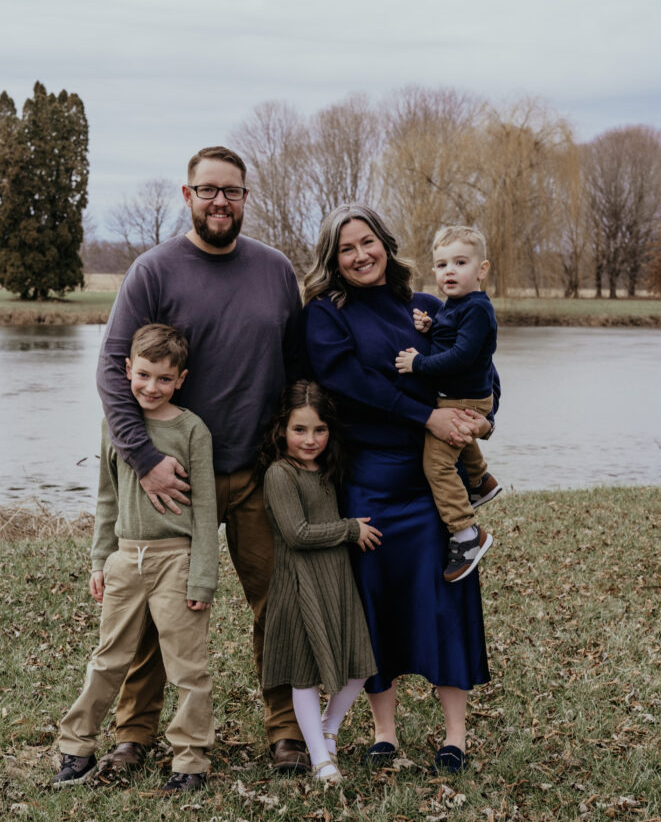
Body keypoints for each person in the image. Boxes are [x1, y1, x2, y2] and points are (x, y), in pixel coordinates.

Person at [96, 146, 308, 775]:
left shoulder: (274, 271)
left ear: (247, 198)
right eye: (209, 190)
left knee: (276, 604)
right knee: (159, 614)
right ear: (186, 195)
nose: (221, 201)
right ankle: (134, 733)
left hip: (257, 474)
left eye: (233, 191)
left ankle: (285, 730)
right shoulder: (153, 271)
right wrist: (142, 458)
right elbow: (114, 371)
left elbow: (299, 369)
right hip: (173, 482)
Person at [303, 204, 496, 774]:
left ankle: (455, 735)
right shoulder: (325, 314)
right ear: (333, 260)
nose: (361, 255)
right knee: (376, 603)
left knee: (446, 602)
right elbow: (348, 382)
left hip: (436, 487)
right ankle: (384, 730)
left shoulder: (429, 306)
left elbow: (481, 369)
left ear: (386, 245)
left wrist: (482, 421)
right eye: (346, 248)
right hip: (371, 481)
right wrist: (427, 419)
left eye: (369, 242)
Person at [54, 325, 218, 792]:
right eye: (143, 375)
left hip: (176, 561)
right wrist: (99, 560)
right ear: (127, 370)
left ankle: (190, 761)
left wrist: (202, 578)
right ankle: (77, 746)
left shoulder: (192, 430)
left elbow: (206, 511)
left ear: (180, 379)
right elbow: (107, 498)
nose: (151, 387)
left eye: (164, 379)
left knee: (188, 666)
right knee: (108, 658)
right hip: (126, 559)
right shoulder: (116, 426)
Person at [257, 381, 380, 783]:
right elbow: (297, 533)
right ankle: (320, 758)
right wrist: (348, 530)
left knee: (359, 663)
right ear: (281, 430)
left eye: (320, 430)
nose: (310, 440)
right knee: (305, 673)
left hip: (336, 580)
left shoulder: (326, 470)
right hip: (299, 583)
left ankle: (328, 728)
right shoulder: (280, 474)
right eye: (300, 430)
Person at [395, 225, 501, 583]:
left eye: (460, 262)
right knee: (455, 443)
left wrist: (418, 364)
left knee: (437, 464)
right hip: (457, 396)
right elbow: (449, 335)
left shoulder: (477, 309)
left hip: (465, 398)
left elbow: (461, 356)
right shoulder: (457, 306)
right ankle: (480, 480)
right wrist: (430, 327)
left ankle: (466, 534)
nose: (449, 271)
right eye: (441, 265)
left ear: (481, 270)